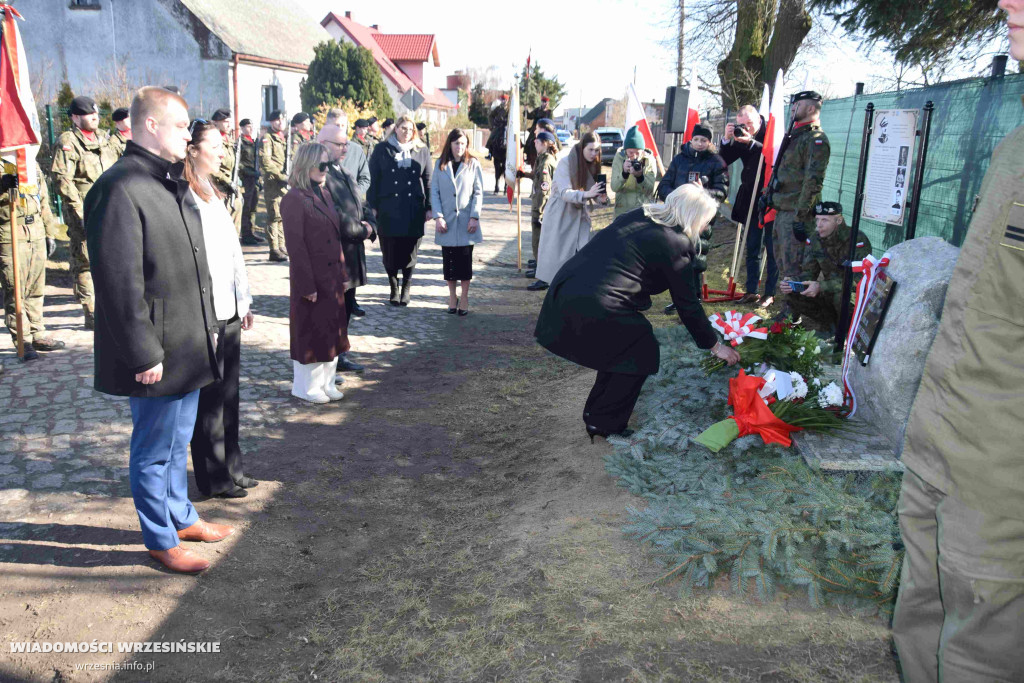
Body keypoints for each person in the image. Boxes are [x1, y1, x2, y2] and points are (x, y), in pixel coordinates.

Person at [891, 2, 1024, 676]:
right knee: (921, 611)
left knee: (981, 652)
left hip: (1004, 476)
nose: (1006, 3)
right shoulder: (1018, 141)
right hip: (946, 436)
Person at [85, 86, 232, 575]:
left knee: (177, 443)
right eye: (178, 126)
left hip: (187, 343)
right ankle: (160, 539)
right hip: (157, 351)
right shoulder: (120, 187)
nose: (188, 136)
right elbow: (118, 283)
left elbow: (194, 264)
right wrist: (143, 352)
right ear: (150, 126)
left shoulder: (172, 182)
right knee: (153, 449)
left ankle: (181, 515)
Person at [535, 185, 740, 439]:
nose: (705, 229)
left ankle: (597, 416)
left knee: (623, 347)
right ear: (693, 217)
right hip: (599, 301)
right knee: (640, 350)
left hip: (569, 286)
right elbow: (688, 305)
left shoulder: (640, 216)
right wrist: (715, 346)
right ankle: (606, 423)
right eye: (706, 222)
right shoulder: (675, 243)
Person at [181, 119, 257, 499]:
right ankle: (213, 478)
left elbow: (232, 251)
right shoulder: (183, 193)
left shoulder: (212, 188)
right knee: (210, 399)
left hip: (228, 306)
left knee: (230, 394)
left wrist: (244, 299)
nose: (224, 151)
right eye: (216, 145)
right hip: (207, 310)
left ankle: (233, 467)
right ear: (193, 149)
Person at [281, 142, 350, 403]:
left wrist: (343, 274)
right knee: (311, 332)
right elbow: (295, 247)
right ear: (306, 164)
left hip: (332, 278)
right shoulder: (293, 199)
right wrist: (306, 285)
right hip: (312, 279)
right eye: (321, 165)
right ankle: (306, 387)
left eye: (328, 165)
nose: (325, 170)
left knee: (332, 332)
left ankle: (326, 382)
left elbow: (336, 237)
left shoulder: (325, 193)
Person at [51, 95, 118, 329]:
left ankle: (112, 308)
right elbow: (61, 179)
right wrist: (80, 211)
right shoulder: (68, 141)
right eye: (89, 114)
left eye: (96, 114)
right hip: (84, 210)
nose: (95, 117)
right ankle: (91, 313)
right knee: (86, 261)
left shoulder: (103, 139)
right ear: (75, 117)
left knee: (113, 259)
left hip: (110, 209)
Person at [320, 123, 376, 373]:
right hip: (337, 252)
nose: (345, 149)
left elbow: (359, 202)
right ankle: (330, 358)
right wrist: (363, 229)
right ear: (324, 144)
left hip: (352, 253)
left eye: (346, 144)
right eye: (339, 144)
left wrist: (372, 222)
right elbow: (337, 216)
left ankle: (340, 355)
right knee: (334, 311)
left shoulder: (343, 170)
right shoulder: (321, 175)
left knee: (347, 309)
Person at [762, 90, 830, 298]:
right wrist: (768, 195)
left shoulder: (815, 139)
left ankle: (792, 315)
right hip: (783, 209)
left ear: (811, 108)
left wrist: (800, 217)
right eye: (792, 107)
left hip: (796, 213)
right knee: (783, 262)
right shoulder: (795, 135)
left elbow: (813, 182)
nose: (792, 110)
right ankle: (788, 309)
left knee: (794, 266)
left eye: (797, 106)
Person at [0, 164, 65, 360]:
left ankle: (38, 334)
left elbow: (43, 198)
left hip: (35, 230)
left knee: (36, 289)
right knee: (15, 288)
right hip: (10, 233)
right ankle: (23, 340)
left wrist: (49, 231)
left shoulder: (28, 161)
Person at [367, 115, 432, 306]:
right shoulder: (382, 150)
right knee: (389, 251)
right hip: (388, 209)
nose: (407, 132)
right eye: (403, 128)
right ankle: (393, 286)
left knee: (410, 251)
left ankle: (406, 286)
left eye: (410, 129)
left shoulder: (422, 150)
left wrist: (430, 208)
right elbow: (373, 180)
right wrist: (372, 207)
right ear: (395, 129)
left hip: (413, 210)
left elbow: (428, 180)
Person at [779, 201, 870, 335]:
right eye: (817, 220)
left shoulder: (857, 240)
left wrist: (821, 286)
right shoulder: (815, 239)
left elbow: (858, 280)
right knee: (794, 290)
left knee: (841, 296)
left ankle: (846, 332)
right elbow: (809, 273)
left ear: (838, 220)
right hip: (828, 293)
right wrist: (793, 281)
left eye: (825, 220)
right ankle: (829, 326)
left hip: (852, 296)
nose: (818, 225)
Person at [531, 132, 608, 291]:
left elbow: (594, 195)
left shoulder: (592, 165)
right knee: (557, 259)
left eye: (597, 150)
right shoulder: (565, 163)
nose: (594, 154)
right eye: (591, 149)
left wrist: (602, 198)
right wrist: (587, 194)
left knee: (583, 254)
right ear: (582, 148)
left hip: (579, 215)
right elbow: (565, 193)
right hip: (560, 214)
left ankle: (576, 291)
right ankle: (554, 290)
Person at [722, 105, 777, 306]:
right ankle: (752, 290)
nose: (746, 128)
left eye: (749, 124)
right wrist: (728, 139)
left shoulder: (771, 130)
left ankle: (770, 293)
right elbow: (725, 159)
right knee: (752, 244)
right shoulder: (742, 135)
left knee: (771, 248)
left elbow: (773, 152)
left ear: (758, 119)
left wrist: (752, 143)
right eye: (742, 124)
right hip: (751, 198)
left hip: (771, 198)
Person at [431, 128, 484, 316]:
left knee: (465, 262)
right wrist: (438, 217)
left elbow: (478, 192)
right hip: (447, 222)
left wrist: (474, 216)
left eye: (463, 143)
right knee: (450, 262)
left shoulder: (473, 164)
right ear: (450, 144)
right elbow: (434, 192)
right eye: (456, 143)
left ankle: (465, 297)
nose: (460, 147)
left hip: (466, 222)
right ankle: (452, 297)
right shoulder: (440, 165)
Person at [657, 124, 729, 203]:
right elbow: (663, 185)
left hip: (701, 210)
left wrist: (703, 193)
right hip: (676, 208)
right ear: (691, 140)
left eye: (703, 140)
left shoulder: (717, 162)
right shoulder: (679, 159)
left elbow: (722, 192)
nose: (699, 144)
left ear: (709, 142)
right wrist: (676, 196)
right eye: (696, 139)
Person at [525, 130, 560, 278]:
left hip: (541, 208)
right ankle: (540, 268)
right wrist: (523, 174)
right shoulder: (542, 158)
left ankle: (542, 274)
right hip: (540, 206)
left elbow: (544, 189)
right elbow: (536, 178)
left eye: (538, 142)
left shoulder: (546, 162)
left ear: (545, 144)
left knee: (539, 242)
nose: (534, 143)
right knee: (537, 241)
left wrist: (539, 212)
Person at [260, 109, 289, 261]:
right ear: (271, 122)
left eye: (282, 119)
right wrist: (281, 176)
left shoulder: (284, 138)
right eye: (277, 120)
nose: (280, 122)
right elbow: (266, 162)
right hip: (273, 182)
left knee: (282, 215)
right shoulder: (267, 138)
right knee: (274, 215)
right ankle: (274, 249)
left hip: (284, 182)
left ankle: (282, 246)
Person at [611, 125, 657, 218]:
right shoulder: (619, 158)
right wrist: (624, 174)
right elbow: (614, 187)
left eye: (638, 153)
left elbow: (650, 190)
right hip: (622, 211)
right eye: (631, 153)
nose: (635, 156)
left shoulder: (649, 160)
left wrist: (640, 177)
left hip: (643, 212)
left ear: (643, 151)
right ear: (625, 150)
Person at [210, 108, 243, 235]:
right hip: (219, 186)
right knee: (221, 224)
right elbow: (211, 167)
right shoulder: (213, 140)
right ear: (216, 123)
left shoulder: (229, 140)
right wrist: (227, 181)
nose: (229, 124)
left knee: (235, 215)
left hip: (231, 186)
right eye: (225, 122)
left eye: (230, 121)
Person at [237, 118, 264, 246]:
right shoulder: (240, 143)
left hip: (255, 179)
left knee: (253, 207)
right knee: (246, 208)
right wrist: (251, 173)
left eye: (251, 126)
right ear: (242, 128)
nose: (251, 128)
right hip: (246, 179)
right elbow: (239, 164)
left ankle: (252, 232)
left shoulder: (254, 142)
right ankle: (246, 234)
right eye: (248, 126)